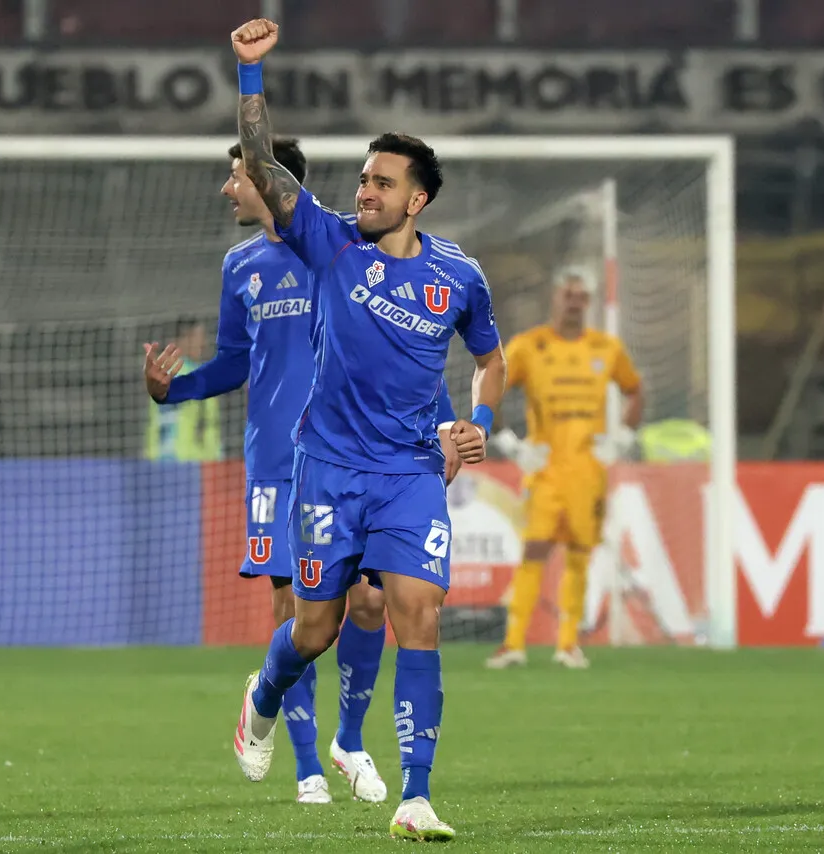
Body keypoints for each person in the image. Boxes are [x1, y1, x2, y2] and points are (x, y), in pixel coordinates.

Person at [226, 18, 507, 842]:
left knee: (417, 612)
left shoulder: (459, 276)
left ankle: (417, 796)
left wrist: (478, 421)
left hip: (412, 472)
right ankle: (265, 694)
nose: (366, 192)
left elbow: (492, 359)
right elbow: (266, 170)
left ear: (417, 199)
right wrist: (251, 76)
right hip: (327, 470)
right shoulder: (330, 244)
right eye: (363, 179)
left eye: (383, 183)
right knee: (314, 628)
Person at [143, 138, 464, 805]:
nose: (230, 189)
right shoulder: (242, 267)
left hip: (366, 459)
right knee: (297, 610)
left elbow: (409, 353)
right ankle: (306, 766)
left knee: (372, 601)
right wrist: (173, 391)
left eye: (237, 175)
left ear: (268, 179)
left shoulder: (351, 251)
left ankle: (348, 738)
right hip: (277, 462)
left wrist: (443, 425)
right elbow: (235, 362)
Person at [486, 267, 644, 670]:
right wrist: (510, 444)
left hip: (588, 470)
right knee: (535, 548)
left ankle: (568, 644)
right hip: (545, 469)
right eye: (567, 295)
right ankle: (514, 644)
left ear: (588, 302)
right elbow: (492, 386)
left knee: (579, 554)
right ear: (555, 297)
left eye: (581, 296)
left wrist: (621, 438)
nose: (574, 302)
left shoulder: (605, 348)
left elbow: (634, 390)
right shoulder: (529, 346)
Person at [143, 318, 223, 461]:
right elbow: (209, 423)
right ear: (185, 339)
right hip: (191, 461)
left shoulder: (158, 375)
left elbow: (152, 424)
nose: (203, 344)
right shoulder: (199, 376)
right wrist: (215, 457)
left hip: (158, 462)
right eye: (199, 338)